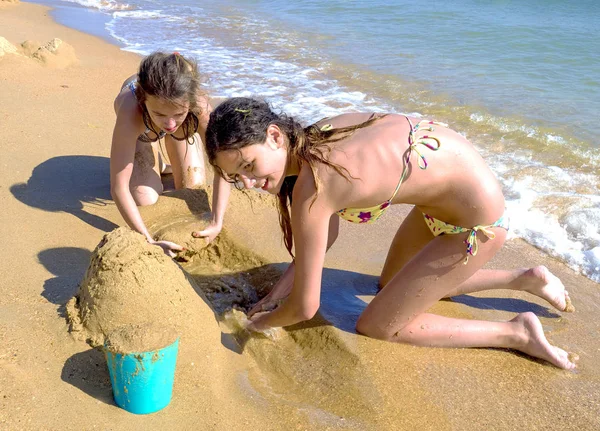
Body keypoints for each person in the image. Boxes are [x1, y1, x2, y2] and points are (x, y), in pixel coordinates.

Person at [204, 97, 577, 370]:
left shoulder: (314, 187)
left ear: (274, 136)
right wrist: (278, 291)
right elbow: (324, 232)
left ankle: (517, 333)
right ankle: (523, 278)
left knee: (379, 325)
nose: (249, 182)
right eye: (237, 178)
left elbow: (306, 308)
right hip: (443, 205)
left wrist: (253, 323)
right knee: (392, 284)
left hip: (475, 227)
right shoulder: (317, 134)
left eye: (249, 166)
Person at [110, 52, 230, 256]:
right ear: (143, 100)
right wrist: (148, 240)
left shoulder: (199, 109)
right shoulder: (131, 111)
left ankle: (161, 154)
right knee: (144, 198)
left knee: (193, 187)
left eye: (179, 114)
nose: (171, 123)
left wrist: (217, 222)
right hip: (143, 129)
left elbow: (223, 167)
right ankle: (151, 148)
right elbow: (118, 187)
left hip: (181, 124)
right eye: (160, 114)